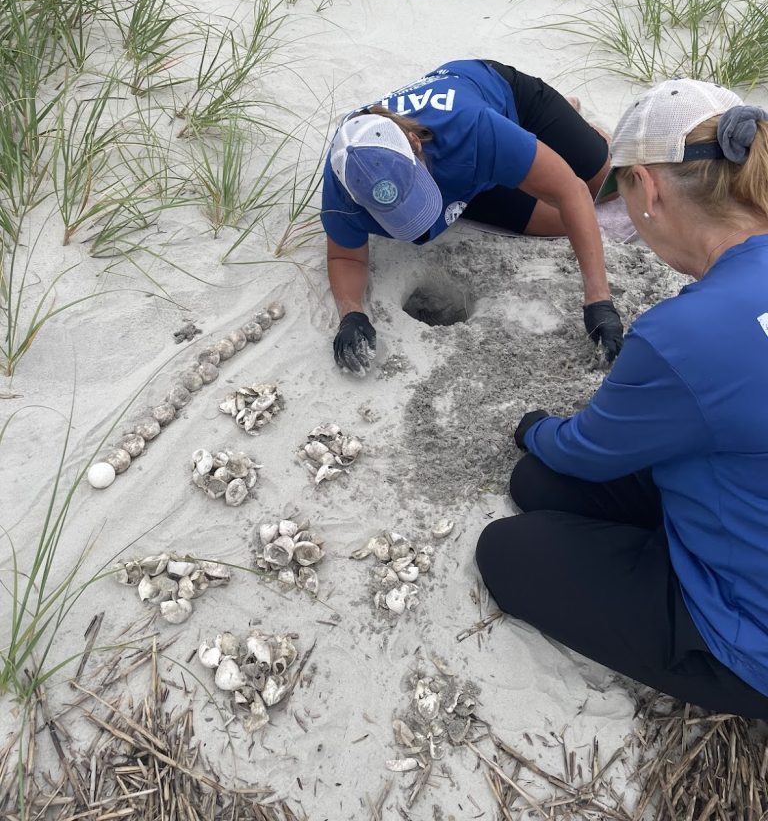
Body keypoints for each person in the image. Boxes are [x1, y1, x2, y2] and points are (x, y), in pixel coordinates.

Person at [476, 78, 768, 716]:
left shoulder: (686, 335)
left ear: (650, 190)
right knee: (538, 485)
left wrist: (534, 427)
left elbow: (585, 450)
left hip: (753, 641)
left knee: (506, 549)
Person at [321, 59, 624, 375]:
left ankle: (567, 117)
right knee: (560, 223)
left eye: (414, 195)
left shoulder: (471, 129)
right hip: (468, 176)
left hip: (511, 103)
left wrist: (598, 298)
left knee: (604, 186)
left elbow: (570, 191)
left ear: (415, 144)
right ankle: (526, 155)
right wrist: (351, 315)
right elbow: (345, 257)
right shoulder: (345, 180)